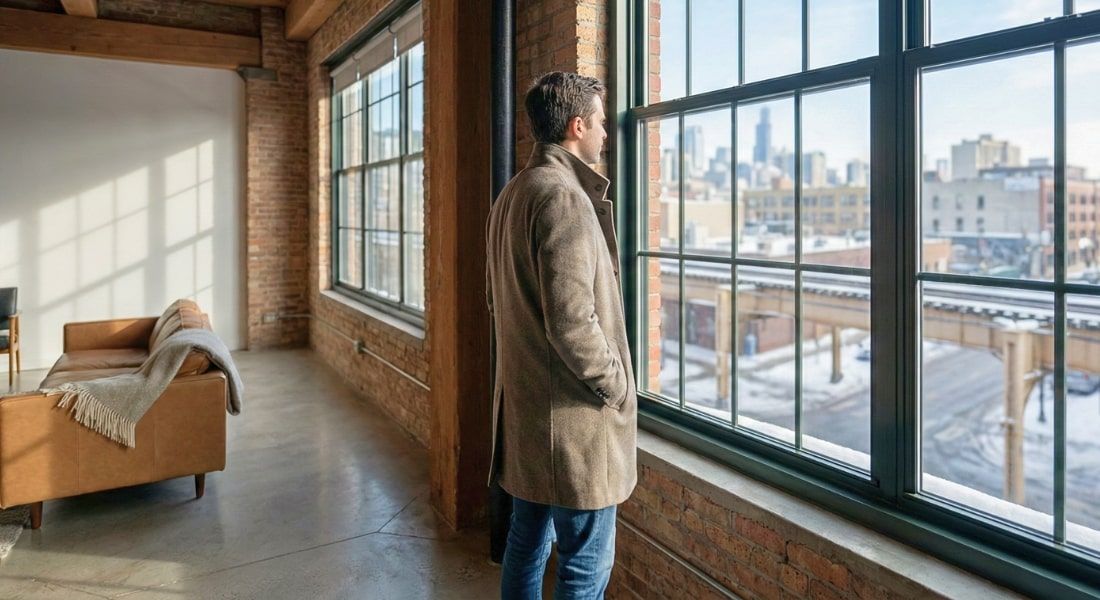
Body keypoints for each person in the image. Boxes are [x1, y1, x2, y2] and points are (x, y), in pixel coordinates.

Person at [485, 71, 637, 599]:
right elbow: (572, 322)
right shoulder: (563, 197)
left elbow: (495, 299)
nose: (605, 134)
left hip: (528, 417)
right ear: (577, 125)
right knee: (585, 564)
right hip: (573, 426)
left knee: (526, 543)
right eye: (600, 123)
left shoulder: (513, 193)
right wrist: (616, 385)